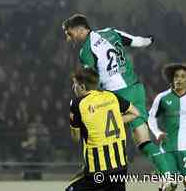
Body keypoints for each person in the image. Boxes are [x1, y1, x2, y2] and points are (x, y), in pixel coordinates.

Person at [62, 13, 171, 177]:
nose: (69, 39)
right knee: (144, 142)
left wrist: (82, 93)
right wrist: (151, 39)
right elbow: (138, 41)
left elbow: (91, 80)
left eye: (69, 34)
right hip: (136, 89)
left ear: (79, 29)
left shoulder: (86, 50)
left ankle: (94, 167)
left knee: (92, 127)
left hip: (116, 97)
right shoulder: (111, 32)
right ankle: (168, 176)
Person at [67, 67, 140, 191]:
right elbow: (135, 113)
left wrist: (72, 119)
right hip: (121, 167)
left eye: (75, 84)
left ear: (82, 87)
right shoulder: (111, 96)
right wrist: (115, 121)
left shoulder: (77, 103)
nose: (73, 87)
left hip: (97, 170)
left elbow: (76, 138)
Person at [148, 63, 186, 191]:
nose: (178, 79)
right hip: (167, 147)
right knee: (169, 185)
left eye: (182, 76)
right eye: (176, 76)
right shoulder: (162, 97)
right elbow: (151, 117)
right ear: (172, 78)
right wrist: (157, 132)